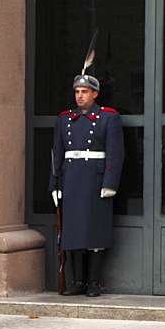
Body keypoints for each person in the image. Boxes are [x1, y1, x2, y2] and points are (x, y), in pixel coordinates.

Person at [50, 74, 125, 297]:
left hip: (96, 180)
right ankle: (77, 282)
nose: (79, 96)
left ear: (95, 94)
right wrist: (55, 184)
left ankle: (93, 282)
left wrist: (110, 182)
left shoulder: (108, 117)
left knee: (95, 232)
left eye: (84, 92)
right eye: (77, 92)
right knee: (72, 234)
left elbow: (116, 152)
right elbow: (57, 154)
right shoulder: (64, 119)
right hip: (72, 179)